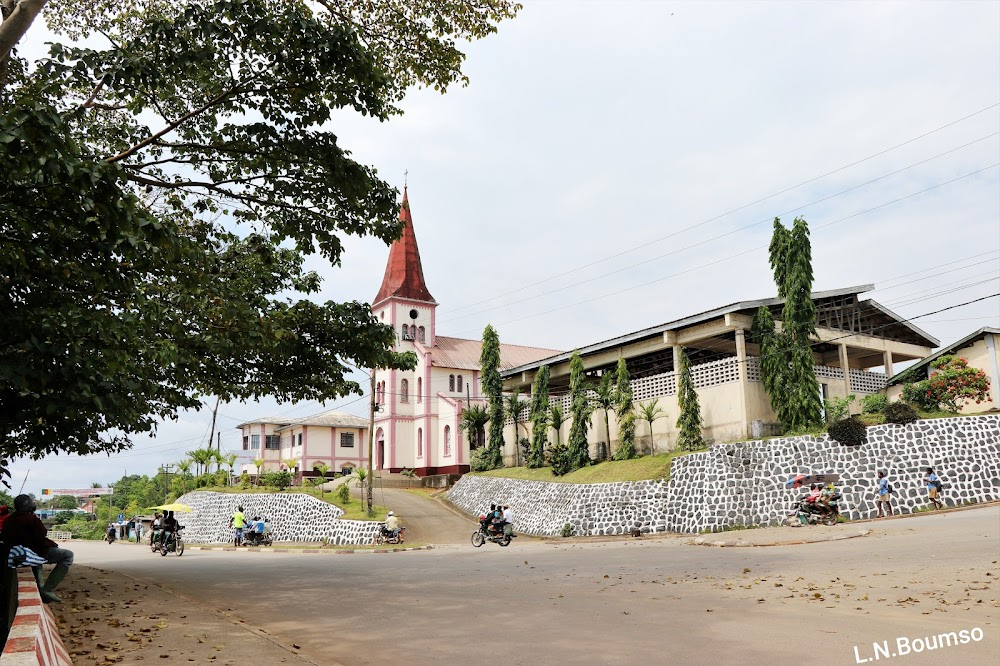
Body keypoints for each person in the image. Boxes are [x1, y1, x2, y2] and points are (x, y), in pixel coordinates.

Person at [0, 495, 74, 603]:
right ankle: (48, 589)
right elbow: (42, 534)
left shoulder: (9, 520)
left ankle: (42, 591)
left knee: (36, 563)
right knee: (68, 555)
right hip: (36, 552)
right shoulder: (31, 519)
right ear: (28, 505)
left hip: (17, 554)